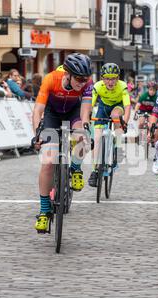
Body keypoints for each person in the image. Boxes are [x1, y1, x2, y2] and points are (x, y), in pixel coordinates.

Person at [31, 53, 93, 232]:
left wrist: (84, 128)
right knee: (48, 162)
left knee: (82, 138)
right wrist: (37, 133)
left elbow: (84, 111)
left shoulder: (87, 84)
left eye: (85, 79)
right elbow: (38, 110)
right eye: (79, 79)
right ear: (68, 74)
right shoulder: (51, 79)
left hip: (73, 112)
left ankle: (75, 167)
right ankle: (44, 211)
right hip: (52, 115)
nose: (82, 82)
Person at [87, 63, 131, 187]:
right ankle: (95, 170)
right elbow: (90, 105)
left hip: (117, 107)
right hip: (103, 107)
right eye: (107, 78)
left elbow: (127, 106)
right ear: (102, 78)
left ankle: (118, 146)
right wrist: (87, 117)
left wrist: (125, 123)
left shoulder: (122, 86)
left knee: (115, 116)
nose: (110, 82)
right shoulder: (97, 86)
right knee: (96, 139)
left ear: (118, 78)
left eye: (113, 78)